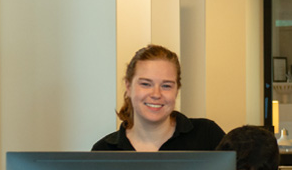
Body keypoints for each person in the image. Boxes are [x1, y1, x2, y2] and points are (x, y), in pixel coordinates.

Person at [92, 44, 225, 151]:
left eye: (166, 86)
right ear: (128, 87)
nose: (156, 94)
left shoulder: (207, 136)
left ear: (177, 90)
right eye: (145, 84)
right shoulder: (104, 151)